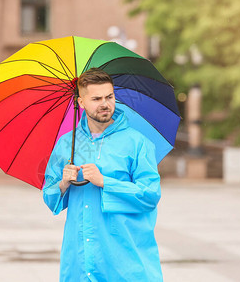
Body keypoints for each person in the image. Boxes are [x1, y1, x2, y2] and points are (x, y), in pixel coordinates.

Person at [43, 68, 163, 281]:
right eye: (96, 98)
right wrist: (63, 183)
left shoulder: (137, 143)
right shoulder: (67, 144)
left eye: (109, 96)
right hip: (80, 260)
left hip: (124, 260)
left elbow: (150, 195)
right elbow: (50, 196)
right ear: (81, 102)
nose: (105, 104)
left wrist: (104, 182)